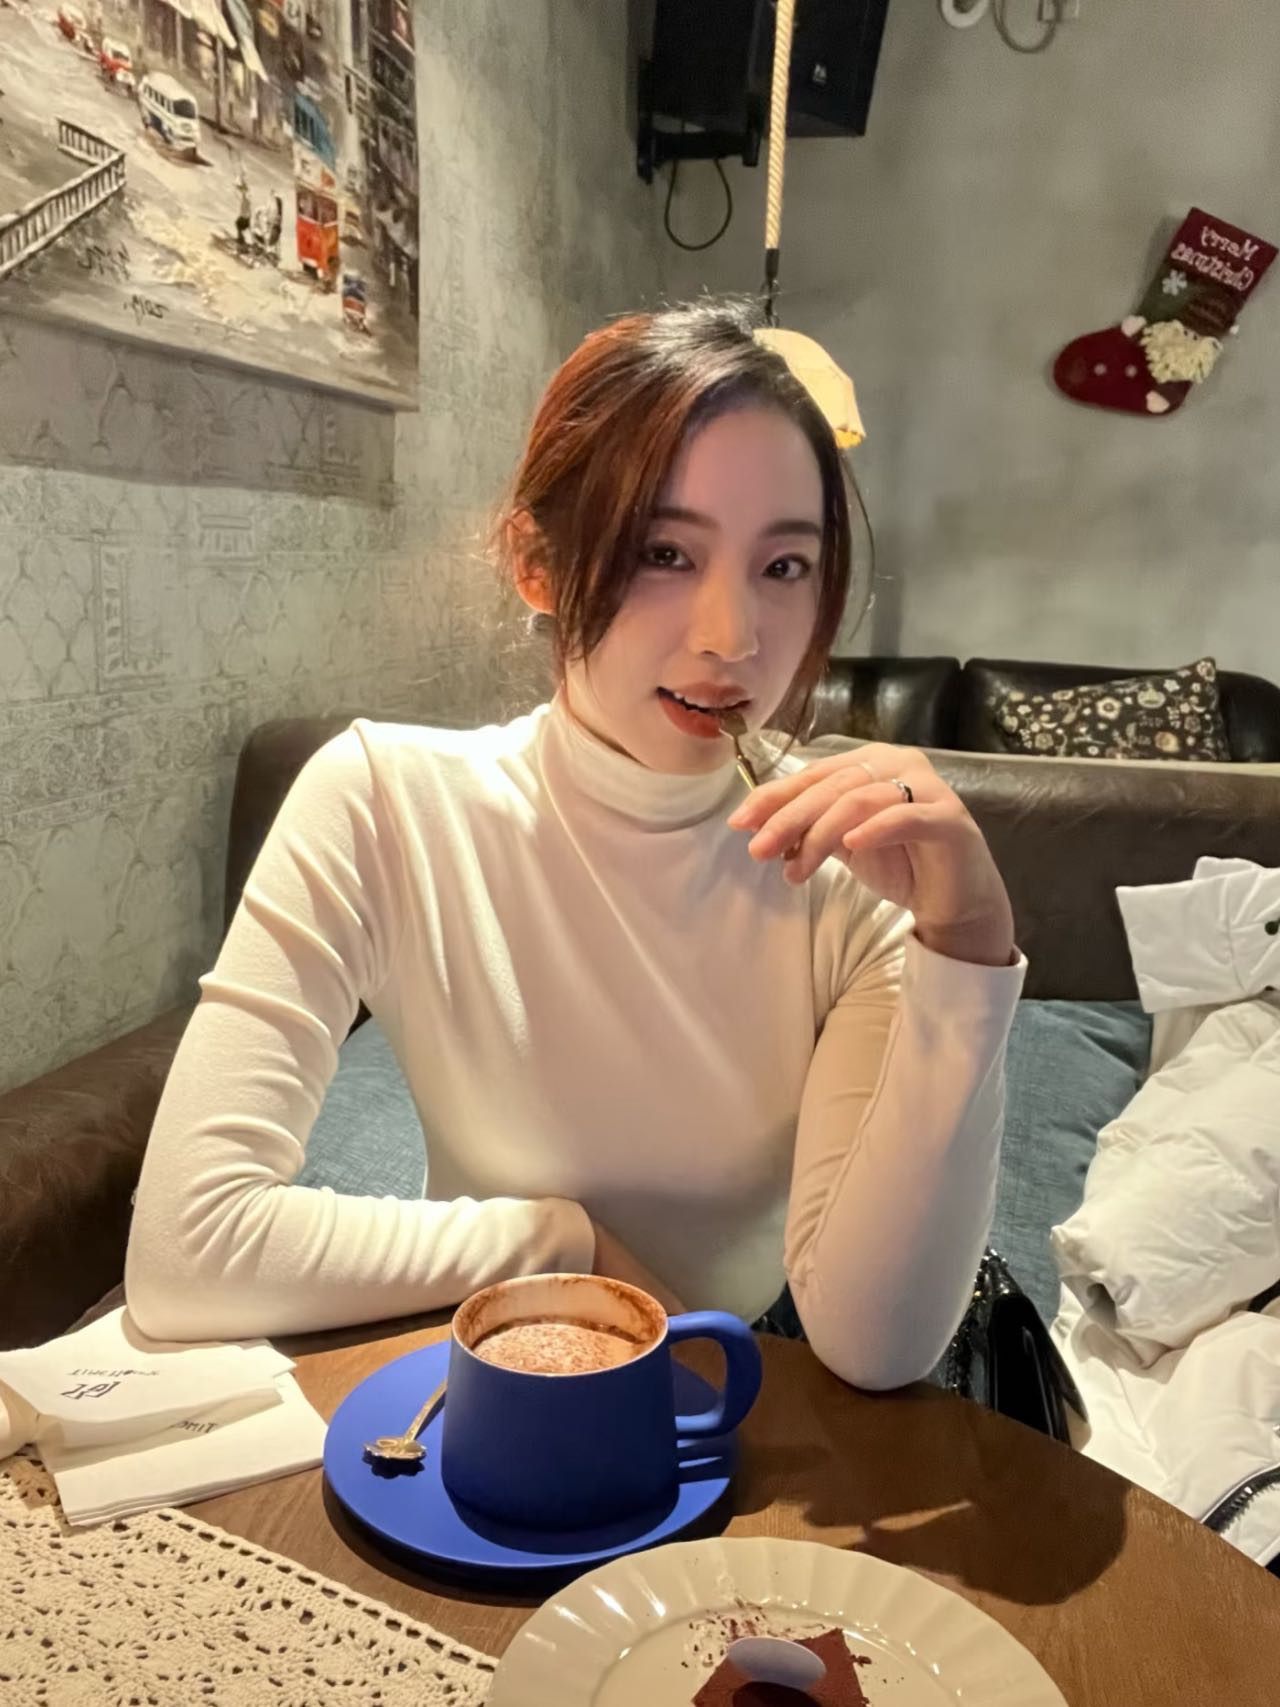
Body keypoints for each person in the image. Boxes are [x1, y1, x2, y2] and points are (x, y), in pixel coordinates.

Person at [124, 299, 1024, 1389]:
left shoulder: (849, 866)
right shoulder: (383, 802)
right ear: (536, 562)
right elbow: (186, 1249)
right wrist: (559, 1243)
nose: (732, 638)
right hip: (485, 1356)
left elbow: (872, 1347)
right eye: (663, 552)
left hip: (752, 1377)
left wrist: (967, 947)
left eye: (784, 566)